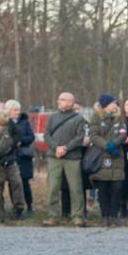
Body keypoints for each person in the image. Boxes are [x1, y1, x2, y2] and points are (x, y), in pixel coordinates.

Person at [43, 92, 88, 226]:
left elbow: (79, 137)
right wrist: (56, 147)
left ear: (70, 103)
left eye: (62, 99)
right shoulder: (52, 118)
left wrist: (66, 148)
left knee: (75, 188)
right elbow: (46, 135)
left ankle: (77, 216)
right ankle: (53, 216)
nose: (59, 101)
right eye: (58, 99)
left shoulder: (79, 119)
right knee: (53, 187)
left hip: (72, 158)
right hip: (54, 157)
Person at [88, 94, 128, 226]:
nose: (116, 105)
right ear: (105, 105)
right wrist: (107, 146)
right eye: (113, 103)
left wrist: (115, 144)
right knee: (103, 188)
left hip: (117, 157)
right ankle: (105, 216)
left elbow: (123, 134)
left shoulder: (119, 119)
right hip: (102, 157)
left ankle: (114, 215)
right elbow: (94, 136)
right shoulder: (95, 118)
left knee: (117, 187)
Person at [4, 100, 35, 218]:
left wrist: (21, 141)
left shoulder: (25, 122)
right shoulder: (5, 123)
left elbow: (31, 137)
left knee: (25, 183)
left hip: (23, 156)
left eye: (18, 109)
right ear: (8, 111)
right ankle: (16, 208)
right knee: (13, 184)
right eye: (14, 110)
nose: (17, 112)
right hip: (11, 155)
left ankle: (29, 206)